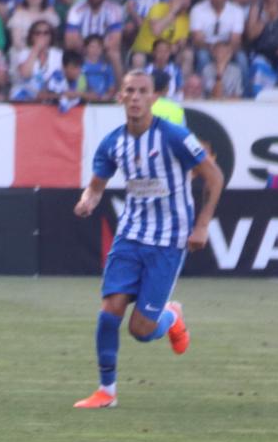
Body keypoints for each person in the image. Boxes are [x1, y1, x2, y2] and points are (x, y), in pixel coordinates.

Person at [72, 71, 224, 409]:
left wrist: (202, 225)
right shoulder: (113, 142)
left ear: (153, 97)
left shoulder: (173, 136)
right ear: (121, 97)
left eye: (143, 91)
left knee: (140, 330)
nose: (137, 97)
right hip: (130, 235)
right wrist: (87, 202)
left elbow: (214, 176)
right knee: (109, 310)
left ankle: (171, 316)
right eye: (130, 91)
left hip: (169, 240)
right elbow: (96, 186)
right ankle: (106, 391)